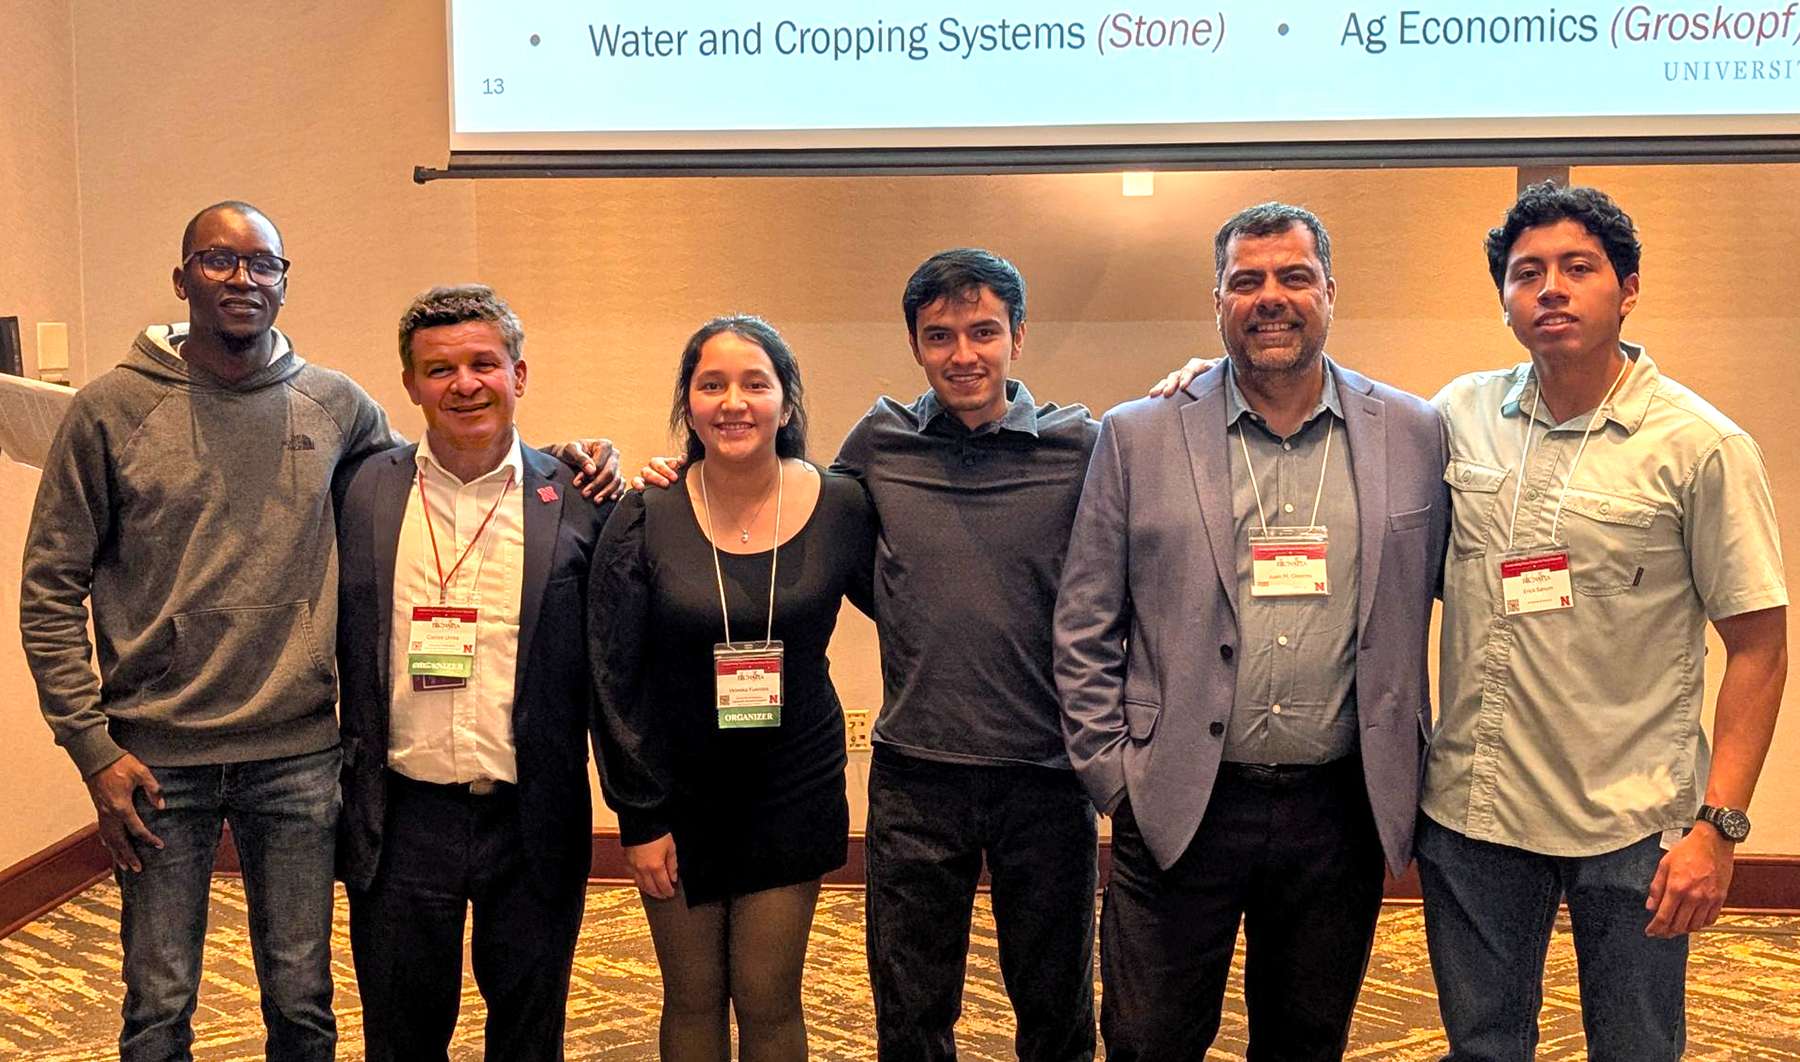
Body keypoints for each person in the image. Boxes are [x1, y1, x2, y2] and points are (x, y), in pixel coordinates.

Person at [18, 201, 618, 1062]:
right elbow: (49, 587)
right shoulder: (110, 410)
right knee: (157, 1006)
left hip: (299, 759)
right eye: (219, 260)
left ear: (285, 282)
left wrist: (566, 461)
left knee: (303, 1003)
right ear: (180, 277)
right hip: (156, 761)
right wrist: (90, 746)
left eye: (262, 264)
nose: (242, 279)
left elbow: (463, 454)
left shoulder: (334, 406)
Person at [641, 249, 1103, 1061]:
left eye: (983, 332)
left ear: (1018, 339)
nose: (963, 353)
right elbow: (788, 509)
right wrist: (676, 476)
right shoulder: (880, 444)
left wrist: (1202, 378)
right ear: (916, 345)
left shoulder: (1084, 446)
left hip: (1050, 772)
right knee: (911, 1008)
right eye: (940, 335)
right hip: (917, 774)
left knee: (1056, 1008)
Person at [1055, 202, 1449, 1061]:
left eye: (1294, 277)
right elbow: (1084, 622)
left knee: (1306, 1041)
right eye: (1248, 281)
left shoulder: (1414, 432)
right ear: (1219, 301)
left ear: (1331, 293)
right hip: (1179, 799)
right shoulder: (1139, 434)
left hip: (1339, 806)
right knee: (1148, 1039)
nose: (1271, 298)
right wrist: (1114, 778)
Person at [1417, 182, 1788, 1061]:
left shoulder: (1702, 446)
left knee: (1635, 1047)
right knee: (1482, 1046)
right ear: (1505, 299)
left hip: (1633, 827)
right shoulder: (1454, 417)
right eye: (1526, 273)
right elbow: (1339, 431)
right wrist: (1206, 380)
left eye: (1578, 268)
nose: (1551, 288)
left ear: (1627, 289)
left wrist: (1719, 829)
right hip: (1476, 812)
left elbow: (1760, 651)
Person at [334, 285, 611, 1061]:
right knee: (401, 1035)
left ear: (519, 375)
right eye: (440, 368)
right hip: (399, 816)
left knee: (529, 1036)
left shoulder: (579, 496)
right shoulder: (358, 491)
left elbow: (614, 662)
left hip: (531, 817)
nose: (464, 384)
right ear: (411, 386)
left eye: (484, 363)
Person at [589, 315, 875, 1061]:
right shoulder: (646, 512)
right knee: (690, 1000)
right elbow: (613, 679)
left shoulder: (844, 505)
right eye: (711, 384)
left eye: (755, 383)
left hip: (795, 788)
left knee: (769, 997)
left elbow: (916, 611)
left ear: (786, 400)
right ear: (688, 404)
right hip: (675, 794)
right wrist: (639, 817)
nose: (733, 402)